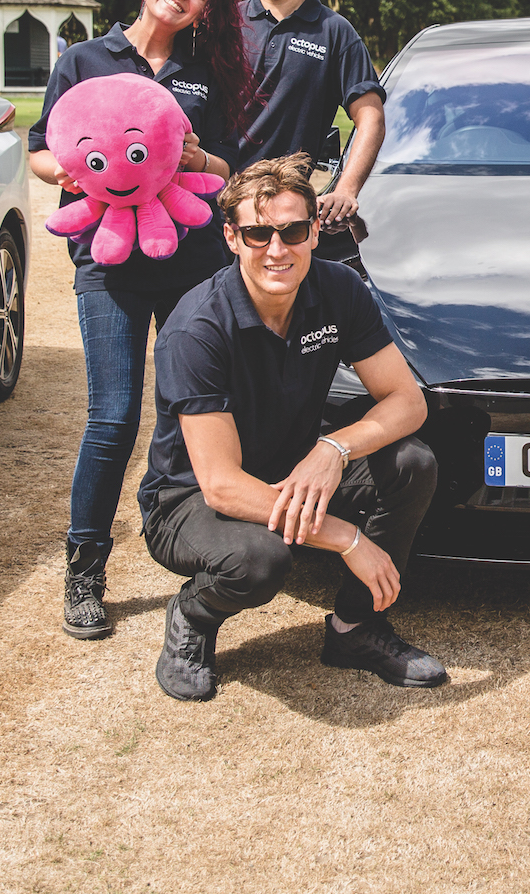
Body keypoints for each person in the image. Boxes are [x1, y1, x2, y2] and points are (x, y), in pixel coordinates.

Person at [138, 154, 444, 702]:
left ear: (313, 232)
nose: (277, 250)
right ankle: (193, 616)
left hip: (293, 464)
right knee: (260, 561)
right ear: (232, 238)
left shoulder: (339, 289)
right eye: (258, 234)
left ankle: (355, 629)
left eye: (293, 231)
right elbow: (221, 485)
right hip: (188, 500)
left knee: (412, 463)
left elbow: (407, 401)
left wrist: (334, 448)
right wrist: (347, 539)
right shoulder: (196, 328)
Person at [30, 0, 256, 641]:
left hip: (187, 261)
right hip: (107, 266)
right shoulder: (83, 59)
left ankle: (193, 546)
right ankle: (85, 566)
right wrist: (65, 171)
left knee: (186, 411)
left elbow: (232, 166)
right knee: (112, 415)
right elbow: (41, 148)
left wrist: (201, 155)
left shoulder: (203, 74)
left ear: (202, 15)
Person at [235, 0, 385, 236]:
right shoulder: (227, 25)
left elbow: (371, 117)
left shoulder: (335, 32)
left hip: (285, 214)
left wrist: (346, 189)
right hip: (217, 203)